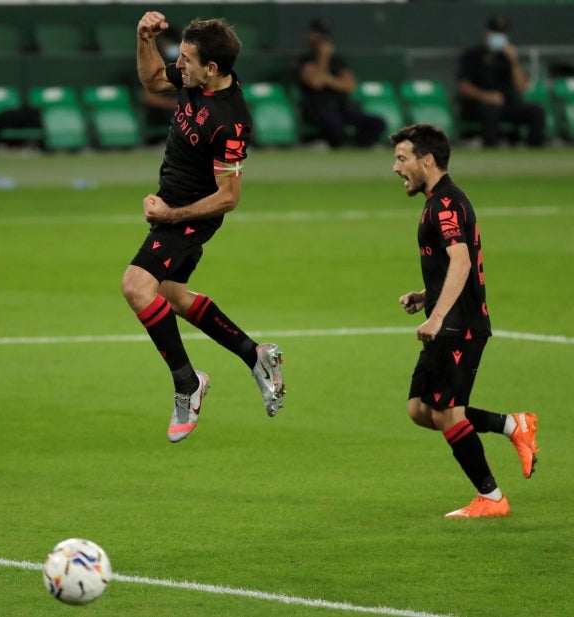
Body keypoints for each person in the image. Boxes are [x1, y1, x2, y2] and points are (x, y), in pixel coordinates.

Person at [123, 11, 286, 443]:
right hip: (172, 203)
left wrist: (169, 216)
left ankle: (187, 384)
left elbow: (229, 197)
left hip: (191, 213)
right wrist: (144, 39)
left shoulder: (230, 121)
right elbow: (152, 80)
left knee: (137, 287)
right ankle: (256, 355)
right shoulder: (193, 80)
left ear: (211, 69)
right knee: (172, 295)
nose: (178, 63)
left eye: (187, 58)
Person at [391, 123, 539, 518]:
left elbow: (461, 259)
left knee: (447, 413)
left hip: (459, 324)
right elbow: (454, 264)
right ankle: (512, 426)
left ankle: (491, 498)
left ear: (427, 160)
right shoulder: (438, 200)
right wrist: (427, 295)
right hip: (449, 318)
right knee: (420, 410)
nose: (395, 167)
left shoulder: (445, 203)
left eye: (402, 158)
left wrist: (436, 316)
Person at [456, 15, 546, 148]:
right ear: (486, 33)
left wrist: (514, 61)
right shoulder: (472, 56)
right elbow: (463, 87)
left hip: (508, 105)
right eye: (495, 33)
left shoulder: (508, 58)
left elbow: (522, 86)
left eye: (501, 34)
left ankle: (535, 149)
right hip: (480, 106)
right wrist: (486, 96)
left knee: (537, 111)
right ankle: (491, 148)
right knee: (492, 109)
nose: (498, 37)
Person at [296, 18, 386, 149]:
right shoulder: (304, 60)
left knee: (378, 123)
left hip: (341, 109)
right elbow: (316, 82)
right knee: (332, 123)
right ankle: (332, 144)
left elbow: (350, 85)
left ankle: (356, 146)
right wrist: (323, 57)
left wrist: (329, 80)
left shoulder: (337, 60)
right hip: (318, 110)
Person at [140, 24, 180, 143]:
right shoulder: (151, 66)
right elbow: (148, 97)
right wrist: (176, 104)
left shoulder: (183, 65)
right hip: (161, 116)